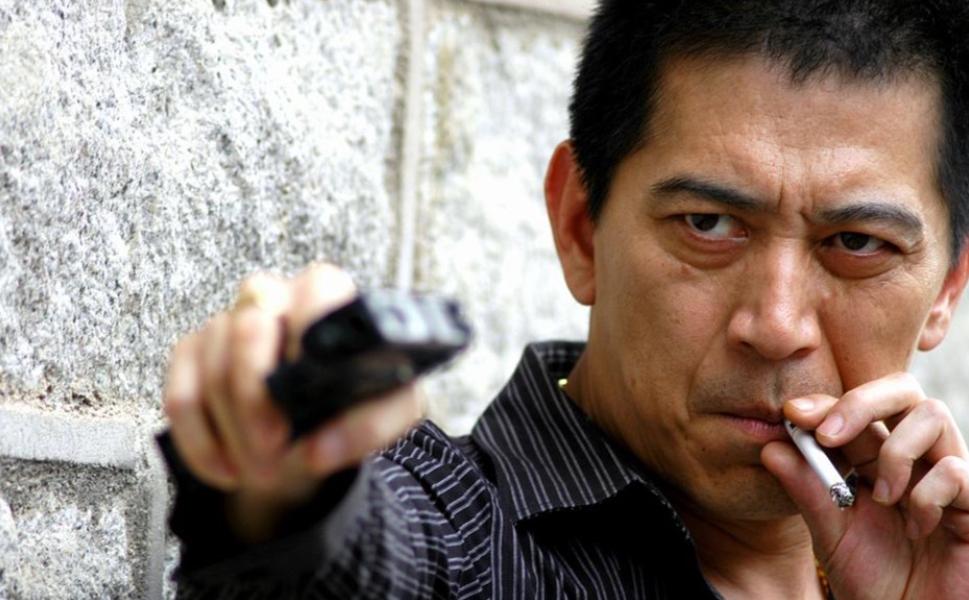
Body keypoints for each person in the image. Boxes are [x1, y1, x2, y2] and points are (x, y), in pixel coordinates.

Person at [161, 1, 969, 598]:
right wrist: (284, 484)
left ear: (946, 289)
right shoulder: (467, 544)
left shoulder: (938, 563)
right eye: (708, 224)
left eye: (856, 243)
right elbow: (355, 559)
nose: (776, 326)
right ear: (580, 228)